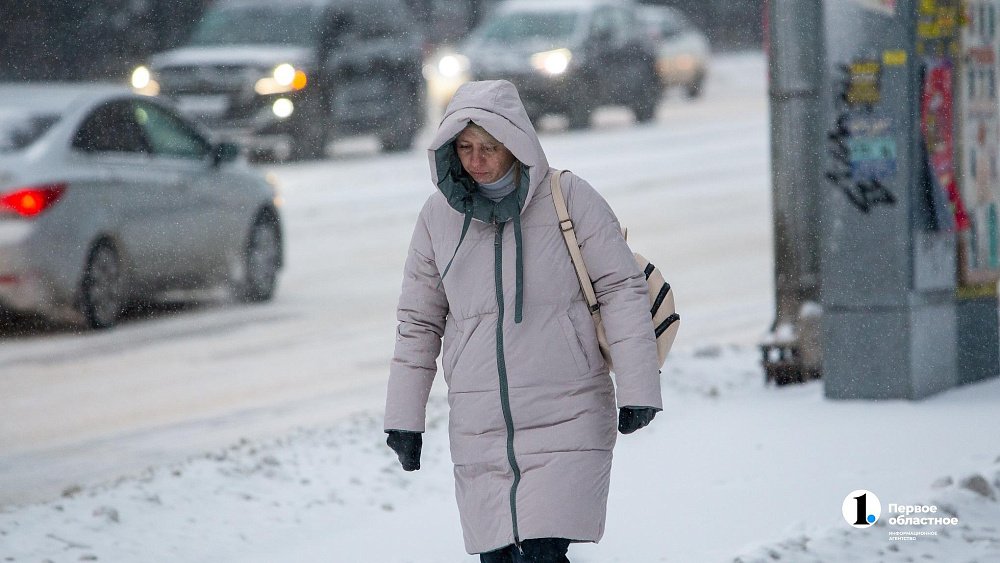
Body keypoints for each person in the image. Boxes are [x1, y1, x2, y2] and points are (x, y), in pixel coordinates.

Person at [384, 80, 662, 563]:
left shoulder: (568, 198)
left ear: (516, 144)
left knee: (542, 554)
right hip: (481, 427)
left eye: (489, 147)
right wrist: (404, 420)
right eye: (466, 148)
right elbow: (418, 322)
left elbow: (621, 290)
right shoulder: (436, 218)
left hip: (567, 412)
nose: (476, 160)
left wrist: (639, 389)